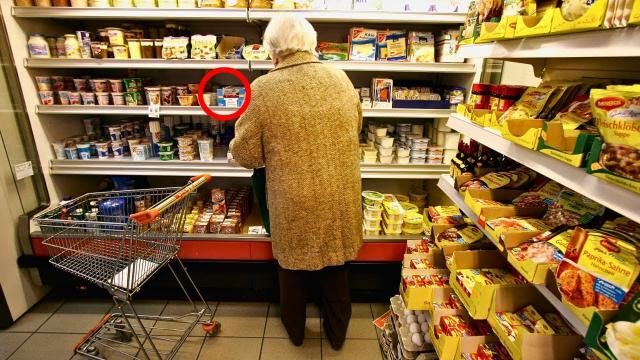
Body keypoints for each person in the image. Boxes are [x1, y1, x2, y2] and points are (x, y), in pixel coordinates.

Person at [229, 14, 363, 350]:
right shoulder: (341, 79)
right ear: (312, 43)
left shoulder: (264, 88)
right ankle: (338, 334)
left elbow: (246, 154)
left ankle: (296, 332)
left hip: (293, 196)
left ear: (272, 49)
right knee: (336, 266)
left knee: (292, 269)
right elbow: (356, 127)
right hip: (339, 192)